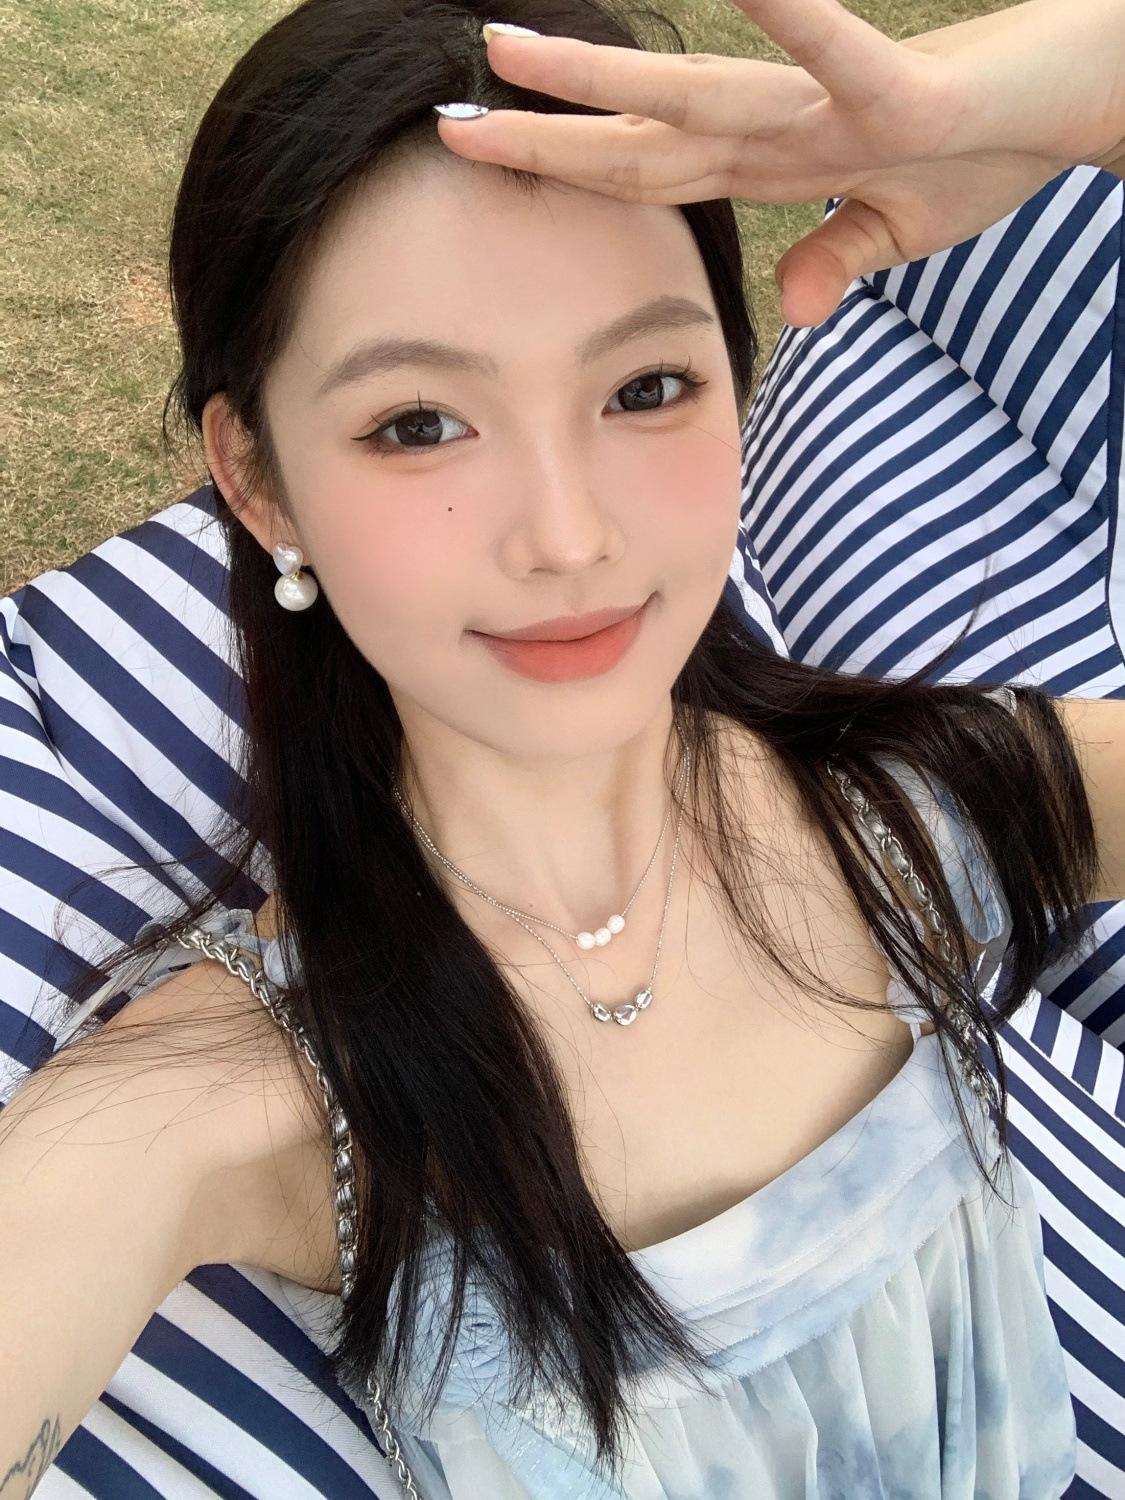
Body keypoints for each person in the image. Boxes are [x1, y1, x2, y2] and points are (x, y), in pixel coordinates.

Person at [3, 0, 1123, 1496]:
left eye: (646, 388)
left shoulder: (927, 811)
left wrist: (1093, 93)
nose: (569, 535)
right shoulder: (231, 1101)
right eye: (418, 423)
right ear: (258, 482)